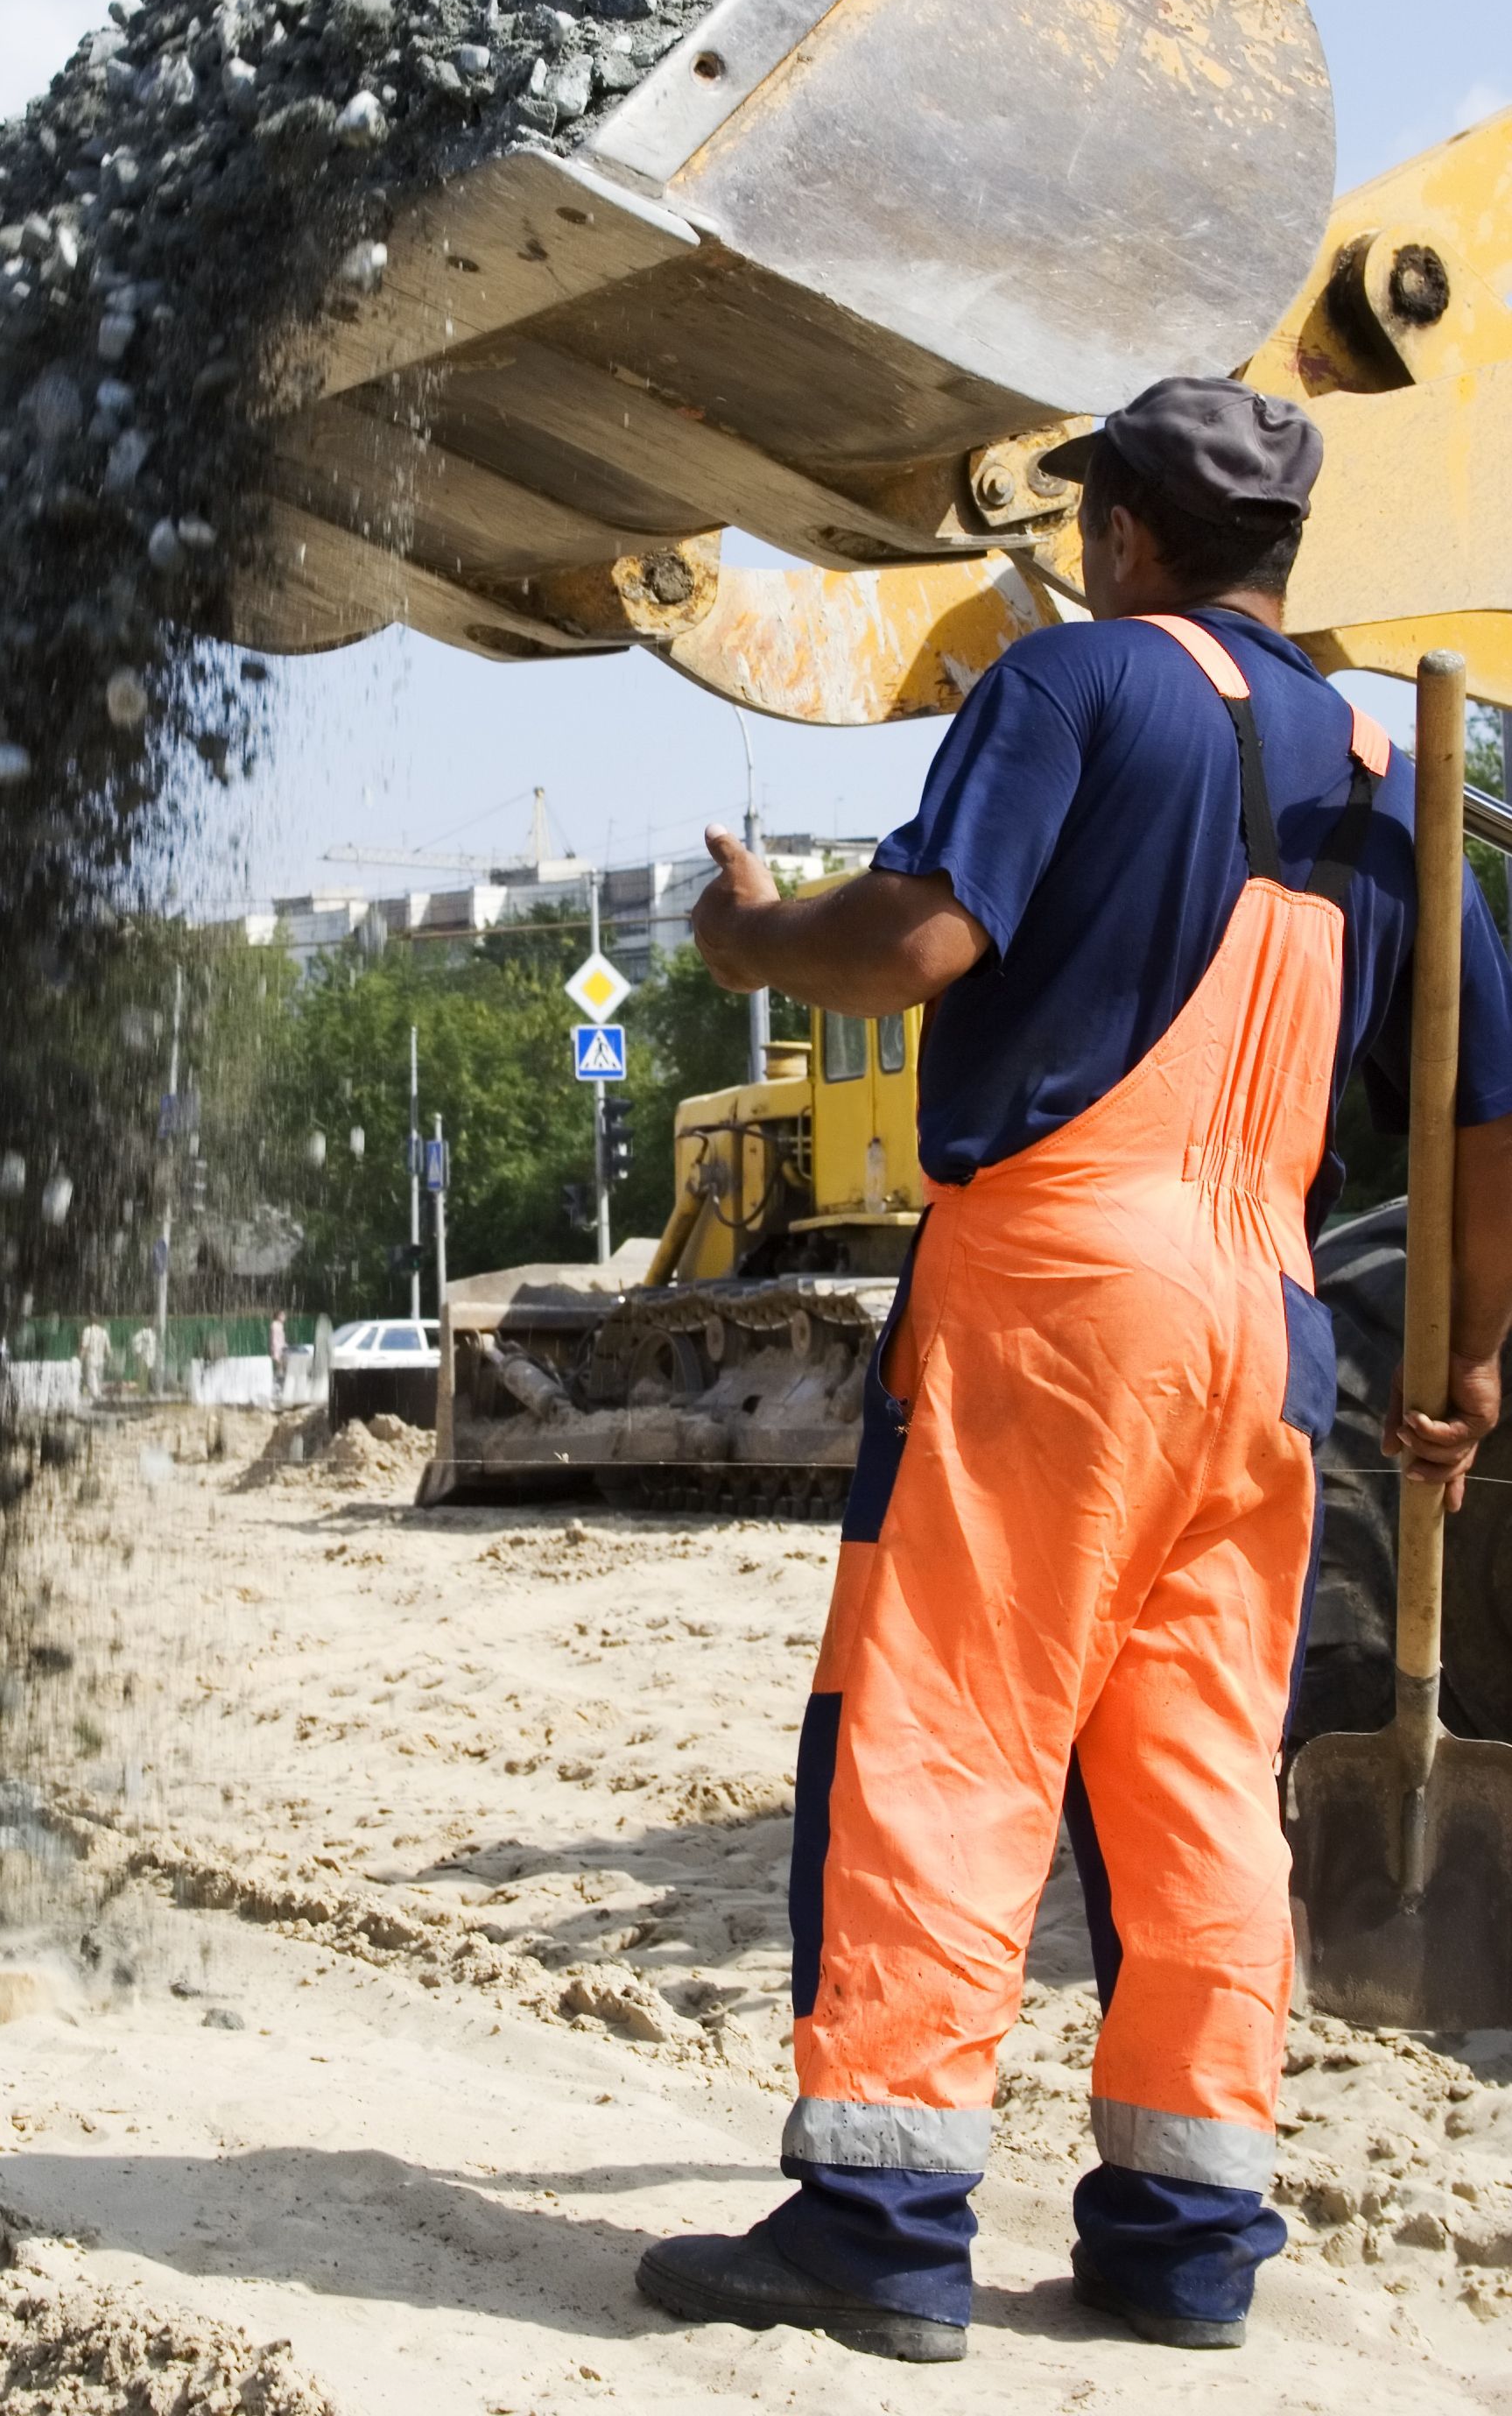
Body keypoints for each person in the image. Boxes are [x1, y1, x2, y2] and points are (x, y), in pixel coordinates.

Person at [641, 377, 1512, 2362]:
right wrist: (1468, 1349)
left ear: (1116, 528)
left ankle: (875, 2217)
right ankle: (1186, 2228)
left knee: (943, 1725)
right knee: (1199, 1774)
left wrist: (760, 934)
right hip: (1265, 1318)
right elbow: (1482, 1114)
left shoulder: (1075, 684)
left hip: (1055, 1286)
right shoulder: (1393, 766)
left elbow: (932, 936)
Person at [77, 1315, 112, 1405]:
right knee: (98, 1379)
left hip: (91, 1358)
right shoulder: (104, 1332)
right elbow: (108, 1349)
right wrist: (108, 1358)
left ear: (90, 1321)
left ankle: (95, 1399)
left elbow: (84, 1346)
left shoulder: (87, 1330)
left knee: (91, 1379)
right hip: (101, 1359)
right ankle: (98, 1398)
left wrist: (80, 1359)